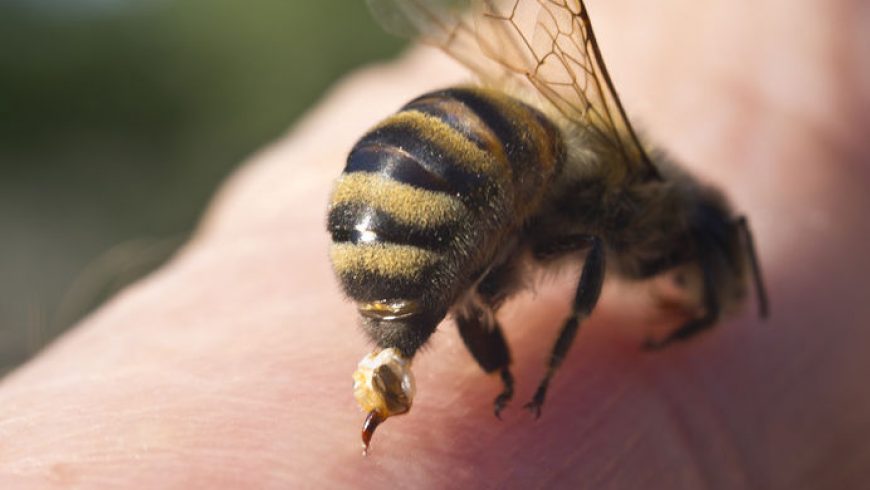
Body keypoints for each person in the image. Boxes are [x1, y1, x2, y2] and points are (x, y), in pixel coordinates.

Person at [1, 1, 868, 487]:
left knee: (494, 227)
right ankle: (418, 350)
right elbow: (575, 251)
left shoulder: (563, 177)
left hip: (408, 168)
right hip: (455, 170)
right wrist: (553, 371)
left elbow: (501, 246)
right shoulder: (626, 201)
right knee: (522, 226)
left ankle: (400, 351)